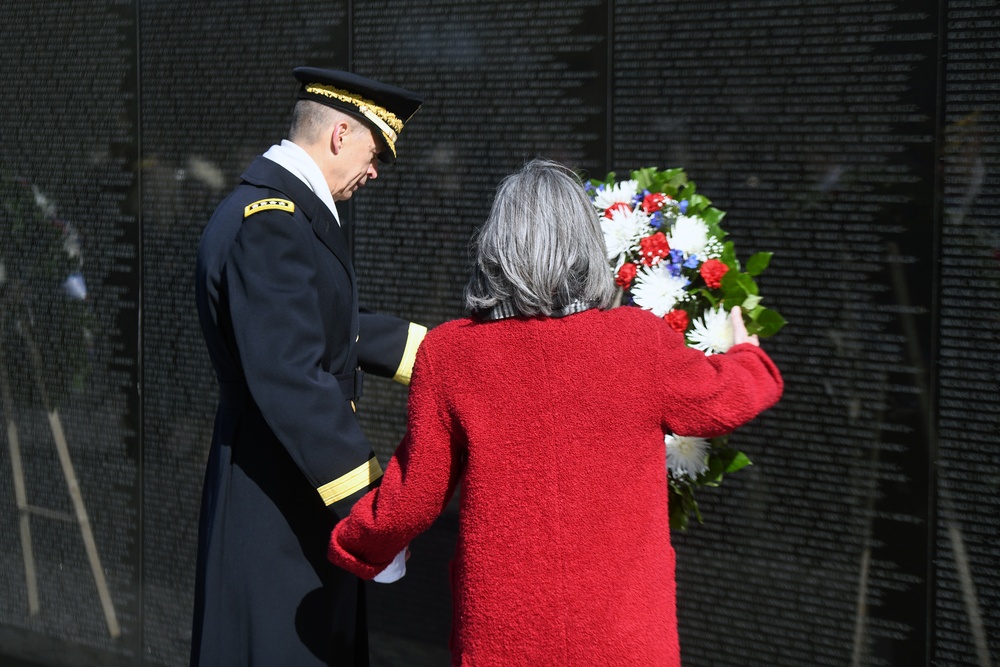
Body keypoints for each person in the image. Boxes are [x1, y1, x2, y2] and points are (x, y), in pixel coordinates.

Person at [326, 159, 784, 666]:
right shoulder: (637, 341)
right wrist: (750, 358)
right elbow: (720, 400)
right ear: (588, 243)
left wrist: (361, 543)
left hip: (505, 629)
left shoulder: (451, 353)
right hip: (624, 630)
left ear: (496, 247)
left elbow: (414, 493)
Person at [192, 67, 425, 667]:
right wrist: (370, 509)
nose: (375, 170)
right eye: (376, 152)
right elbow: (294, 379)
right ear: (341, 134)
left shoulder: (284, 213)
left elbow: (334, 327)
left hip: (288, 477)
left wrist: (444, 356)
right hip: (276, 494)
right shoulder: (272, 222)